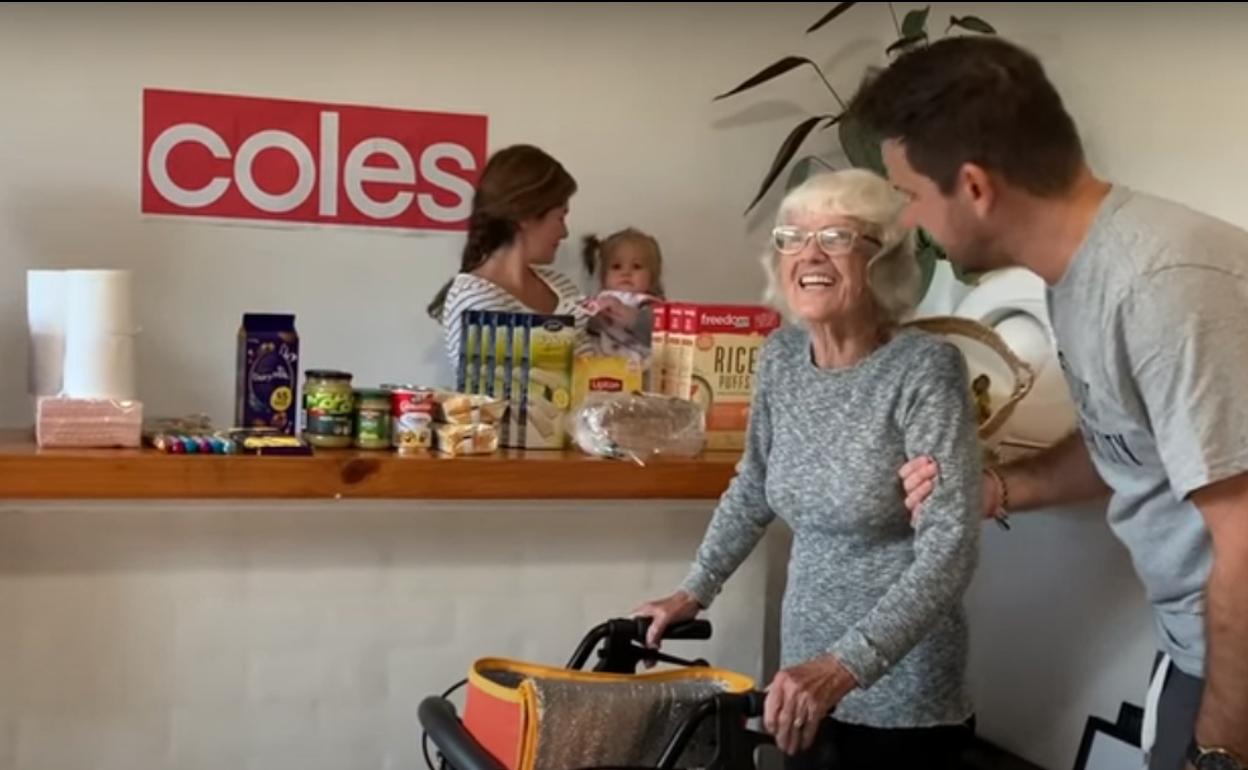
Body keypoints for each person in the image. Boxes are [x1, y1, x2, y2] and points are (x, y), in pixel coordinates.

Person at [852, 36, 1248, 770]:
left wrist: (1221, 750)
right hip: (1196, 650)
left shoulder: (1162, 286)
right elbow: (1127, 447)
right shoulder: (1081, 278)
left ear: (973, 186)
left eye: (908, 195)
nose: (907, 221)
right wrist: (996, 488)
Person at [634, 169, 982, 769]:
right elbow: (754, 486)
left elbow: (950, 547)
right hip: (803, 677)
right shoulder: (781, 358)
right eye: (793, 237)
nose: (809, 254)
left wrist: (843, 666)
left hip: (902, 696)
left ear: (884, 259)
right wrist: (695, 588)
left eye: (837, 238)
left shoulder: (925, 370)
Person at [427, 144, 587, 367]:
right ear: (526, 216)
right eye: (560, 218)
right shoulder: (472, 298)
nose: (564, 232)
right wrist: (574, 327)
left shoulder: (562, 286)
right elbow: (503, 389)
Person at [580, 227, 666, 360]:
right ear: (603, 276)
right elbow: (582, 327)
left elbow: (662, 334)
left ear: (652, 277)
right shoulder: (599, 299)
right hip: (601, 365)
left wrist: (633, 319)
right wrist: (595, 316)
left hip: (640, 368)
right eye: (616, 267)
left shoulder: (649, 304)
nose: (626, 273)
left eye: (636, 266)